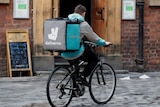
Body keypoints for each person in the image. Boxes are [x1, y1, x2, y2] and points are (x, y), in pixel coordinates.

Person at [61, 4, 111, 86]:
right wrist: (104, 43)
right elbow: (94, 38)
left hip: (64, 51)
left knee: (75, 67)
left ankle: (74, 90)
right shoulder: (83, 24)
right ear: (84, 13)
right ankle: (83, 76)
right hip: (76, 51)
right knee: (94, 59)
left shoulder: (65, 22)